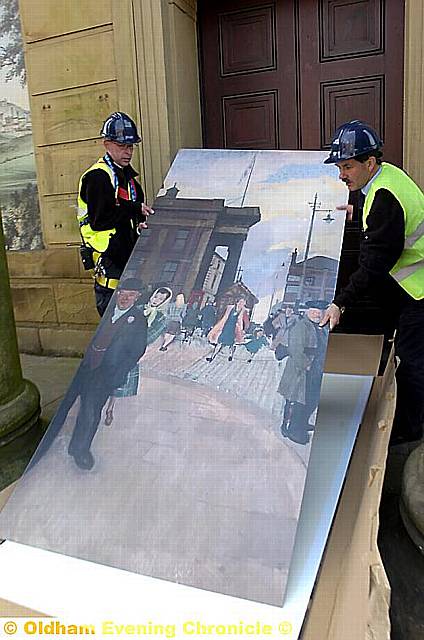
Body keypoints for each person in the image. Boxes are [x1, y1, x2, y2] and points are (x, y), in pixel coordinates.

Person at [320, 120, 424, 445]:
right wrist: (356, 211)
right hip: (410, 283)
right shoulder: (385, 178)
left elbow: (373, 264)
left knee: (412, 359)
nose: (342, 174)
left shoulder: (384, 200)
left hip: (419, 289)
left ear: (369, 162)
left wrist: (340, 302)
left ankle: (410, 432)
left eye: (347, 165)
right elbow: (382, 216)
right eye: (339, 166)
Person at [37, 278, 149, 470]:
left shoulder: (138, 320)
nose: (125, 298)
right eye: (123, 293)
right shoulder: (103, 309)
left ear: (137, 297)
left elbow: (137, 350)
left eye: (131, 295)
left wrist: (118, 374)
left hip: (104, 373)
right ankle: (42, 444)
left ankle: (80, 450)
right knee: (61, 407)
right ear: (118, 293)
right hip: (82, 366)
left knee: (90, 411)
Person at [77, 112, 154, 316]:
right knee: (111, 336)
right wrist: (134, 208)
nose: (128, 152)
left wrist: (140, 227)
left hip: (130, 271)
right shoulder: (98, 177)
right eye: (122, 146)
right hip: (110, 273)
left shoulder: (131, 183)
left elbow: (132, 222)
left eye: (130, 146)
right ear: (107, 144)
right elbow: (100, 220)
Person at [104, 286, 172, 426]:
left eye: (160, 298)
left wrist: (133, 341)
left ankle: (110, 409)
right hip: (116, 344)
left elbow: (151, 336)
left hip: (132, 351)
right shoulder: (138, 308)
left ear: (164, 302)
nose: (156, 300)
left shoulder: (161, 318)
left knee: (119, 379)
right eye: (156, 296)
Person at [278, 301, 328, 445]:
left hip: (317, 370)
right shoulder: (301, 326)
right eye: (314, 311)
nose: (317, 314)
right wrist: (307, 365)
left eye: (320, 311)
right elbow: (295, 349)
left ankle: (302, 423)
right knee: (295, 400)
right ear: (307, 311)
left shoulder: (321, 328)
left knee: (312, 400)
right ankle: (290, 429)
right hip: (301, 370)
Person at [206, 297, 250, 362]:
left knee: (232, 344)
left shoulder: (244, 311)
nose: (241, 304)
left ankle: (230, 355)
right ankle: (212, 357)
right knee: (219, 342)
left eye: (243, 303)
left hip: (234, 330)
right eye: (240, 302)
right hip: (226, 328)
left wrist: (244, 330)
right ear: (237, 302)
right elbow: (223, 316)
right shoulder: (230, 308)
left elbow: (246, 322)